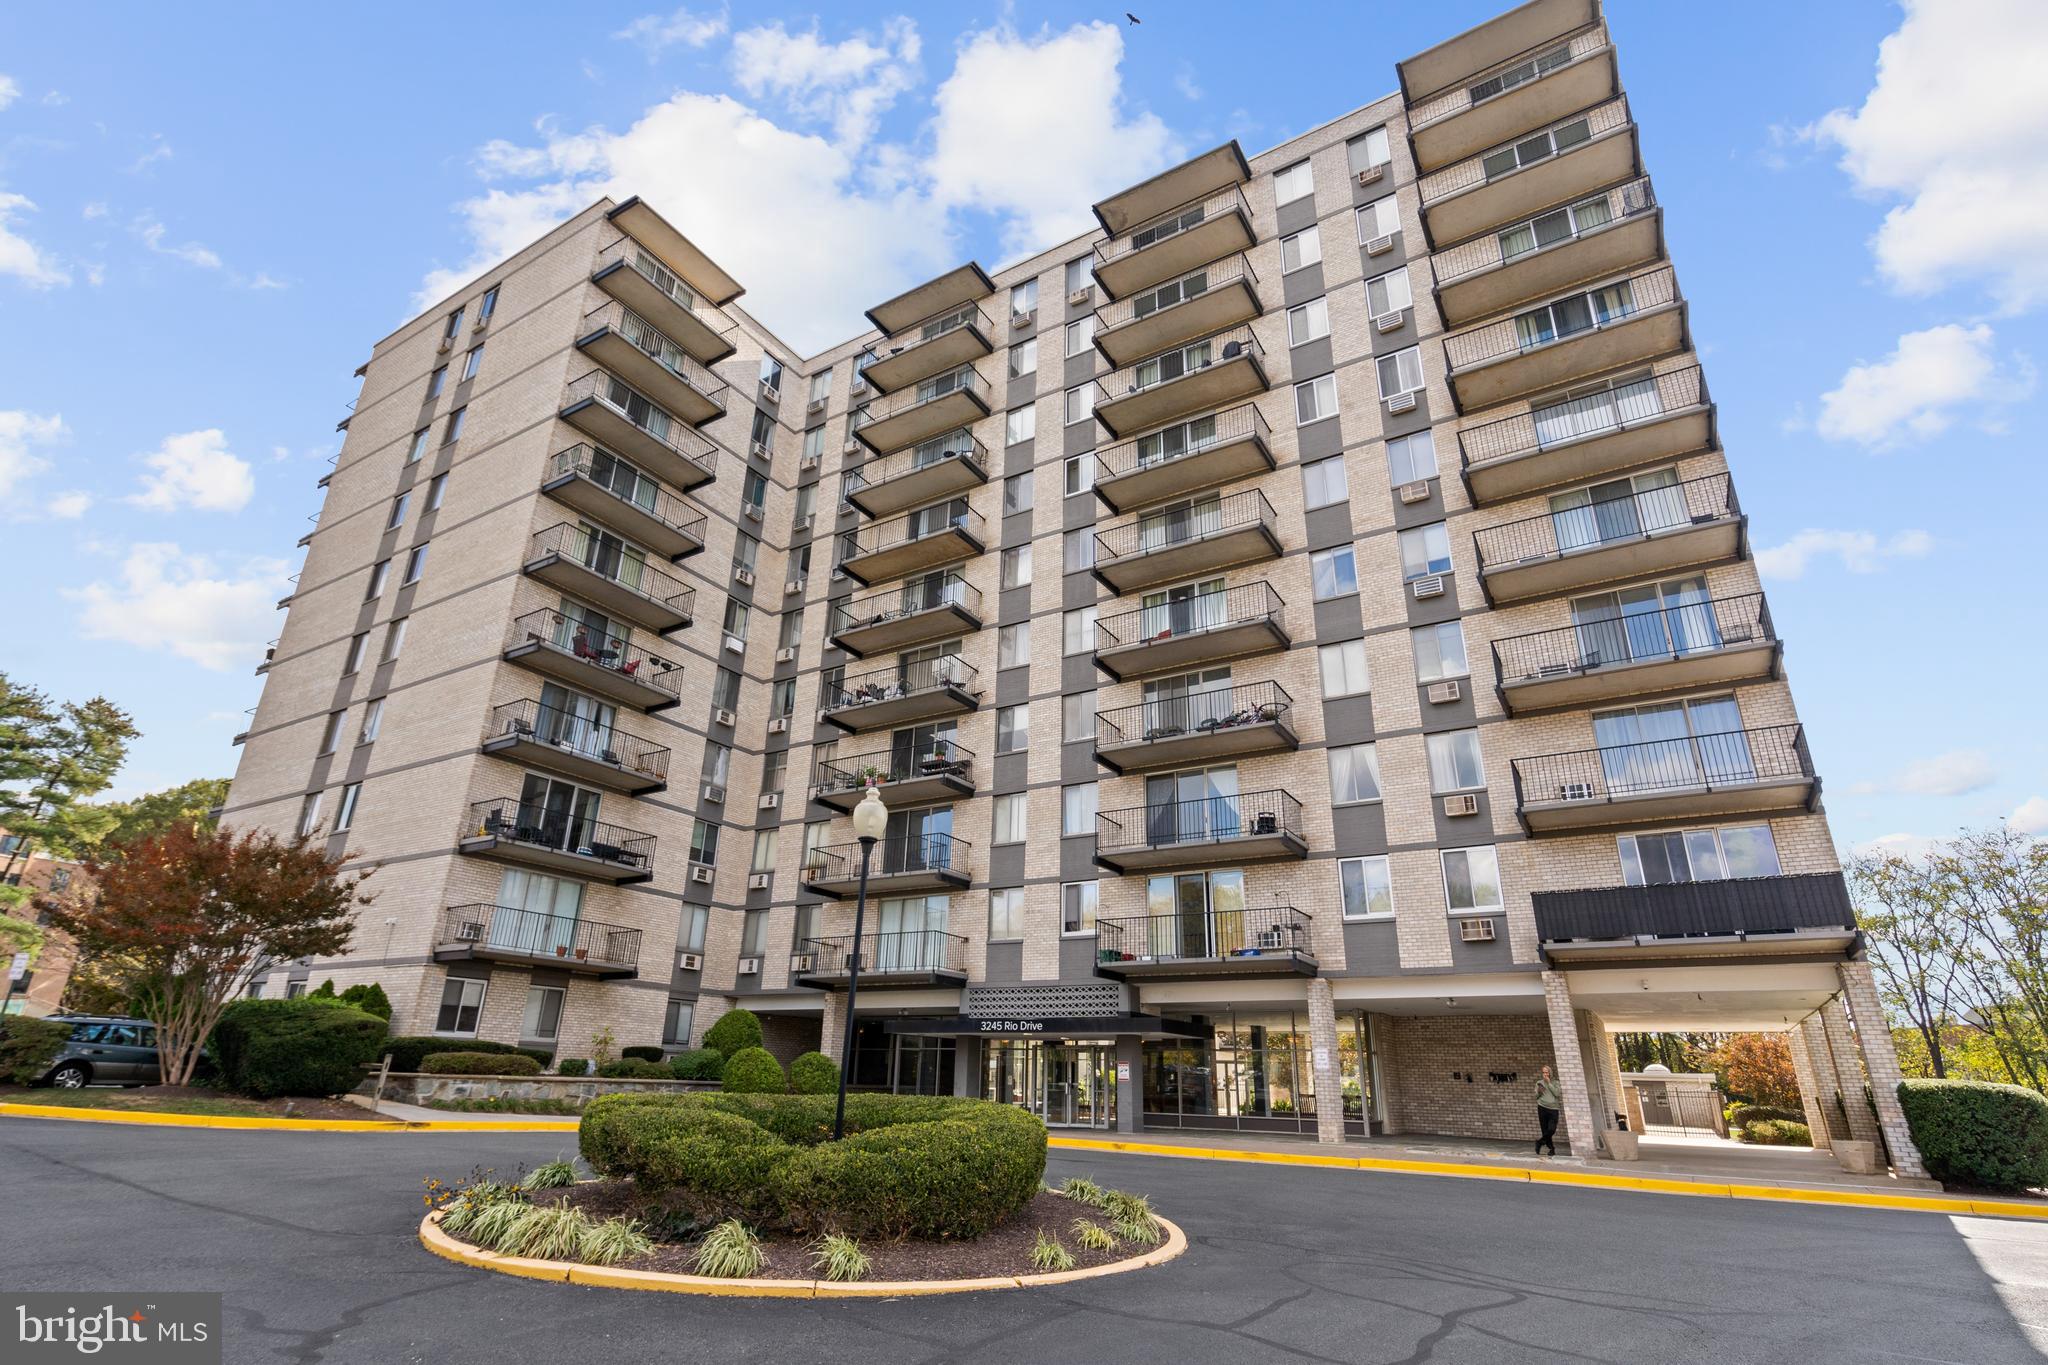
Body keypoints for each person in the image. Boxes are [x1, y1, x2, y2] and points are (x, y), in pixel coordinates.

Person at [1534, 1065, 1563, 1157]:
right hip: (1542, 1108)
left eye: (1547, 1072)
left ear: (1550, 1073)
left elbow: (1557, 1093)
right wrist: (1539, 1092)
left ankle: (1540, 1142)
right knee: (1545, 1130)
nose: (1545, 1074)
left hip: (1553, 1109)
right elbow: (1536, 1096)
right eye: (1543, 1072)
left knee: (1551, 1129)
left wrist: (1549, 1083)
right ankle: (1551, 1149)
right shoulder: (1539, 1083)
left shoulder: (1555, 1082)